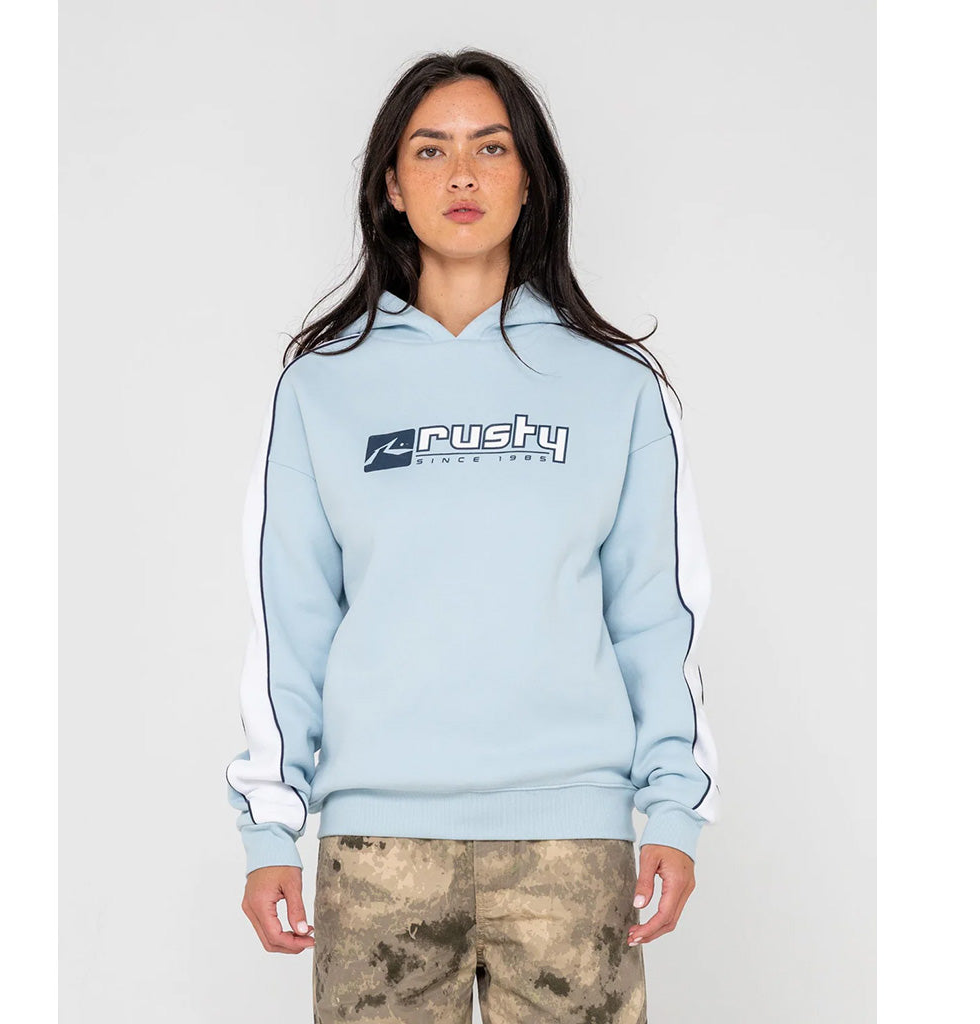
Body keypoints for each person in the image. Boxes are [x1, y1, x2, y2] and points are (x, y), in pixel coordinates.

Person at [225, 48, 721, 1024]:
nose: (461, 174)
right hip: (379, 856)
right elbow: (289, 620)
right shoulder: (322, 387)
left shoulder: (615, 385)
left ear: (530, 181)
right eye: (431, 150)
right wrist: (269, 824)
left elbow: (658, 615)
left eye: (491, 148)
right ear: (391, 185)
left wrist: (675, 807)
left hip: (573, 849)